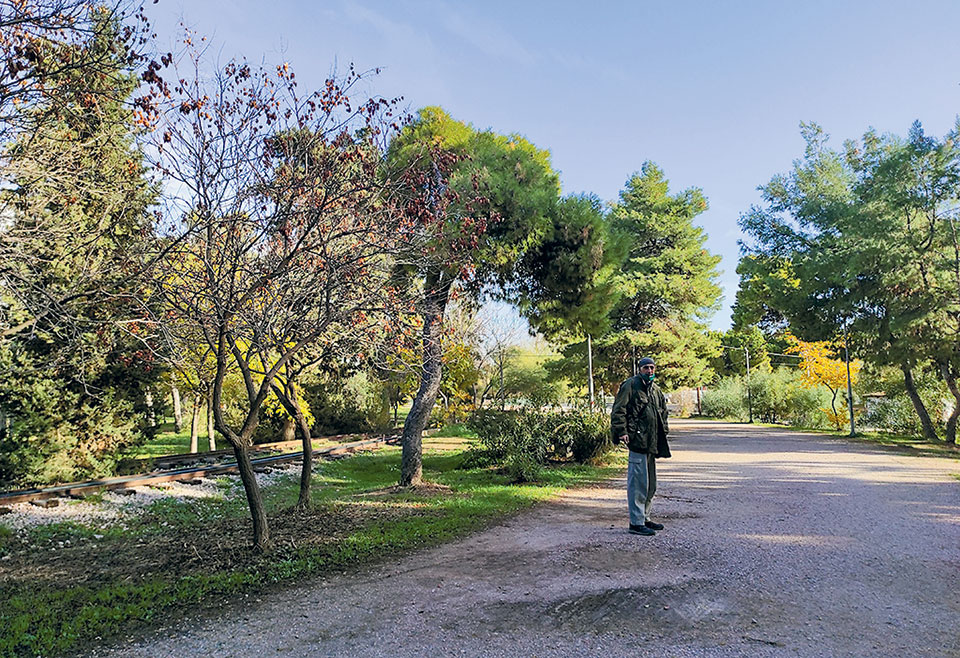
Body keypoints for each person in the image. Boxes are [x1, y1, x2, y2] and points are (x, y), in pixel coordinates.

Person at [610, 356, 671, 536]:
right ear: (640, 369)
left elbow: (663, 413)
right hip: (636, 442)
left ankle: (645, 517)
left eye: (652, 368)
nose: (649, 371)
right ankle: (636, 523)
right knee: (638, 484)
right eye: (646, 368)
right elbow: (618, 410)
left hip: (651, 443)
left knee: (651, 484)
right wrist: (622, 432)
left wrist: (664, 431)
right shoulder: (630, 385)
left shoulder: (656, 390)